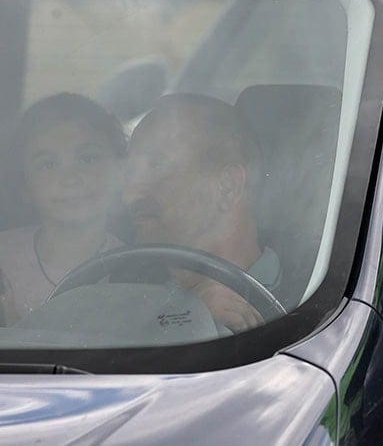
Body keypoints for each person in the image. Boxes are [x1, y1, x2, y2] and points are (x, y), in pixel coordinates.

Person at [122, 92, 278, 332]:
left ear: (227, 186)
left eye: (157, 165)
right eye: (131, 172)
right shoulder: (120, 290)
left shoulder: (313, 303)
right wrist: (182, 316)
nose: (130, 195)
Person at [0, 93, 126, 325]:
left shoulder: (138, 268)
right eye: (48, 165)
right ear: (25, 186)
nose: (70, 178)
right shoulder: (4, 259)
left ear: (120, 170)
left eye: (87, 159)